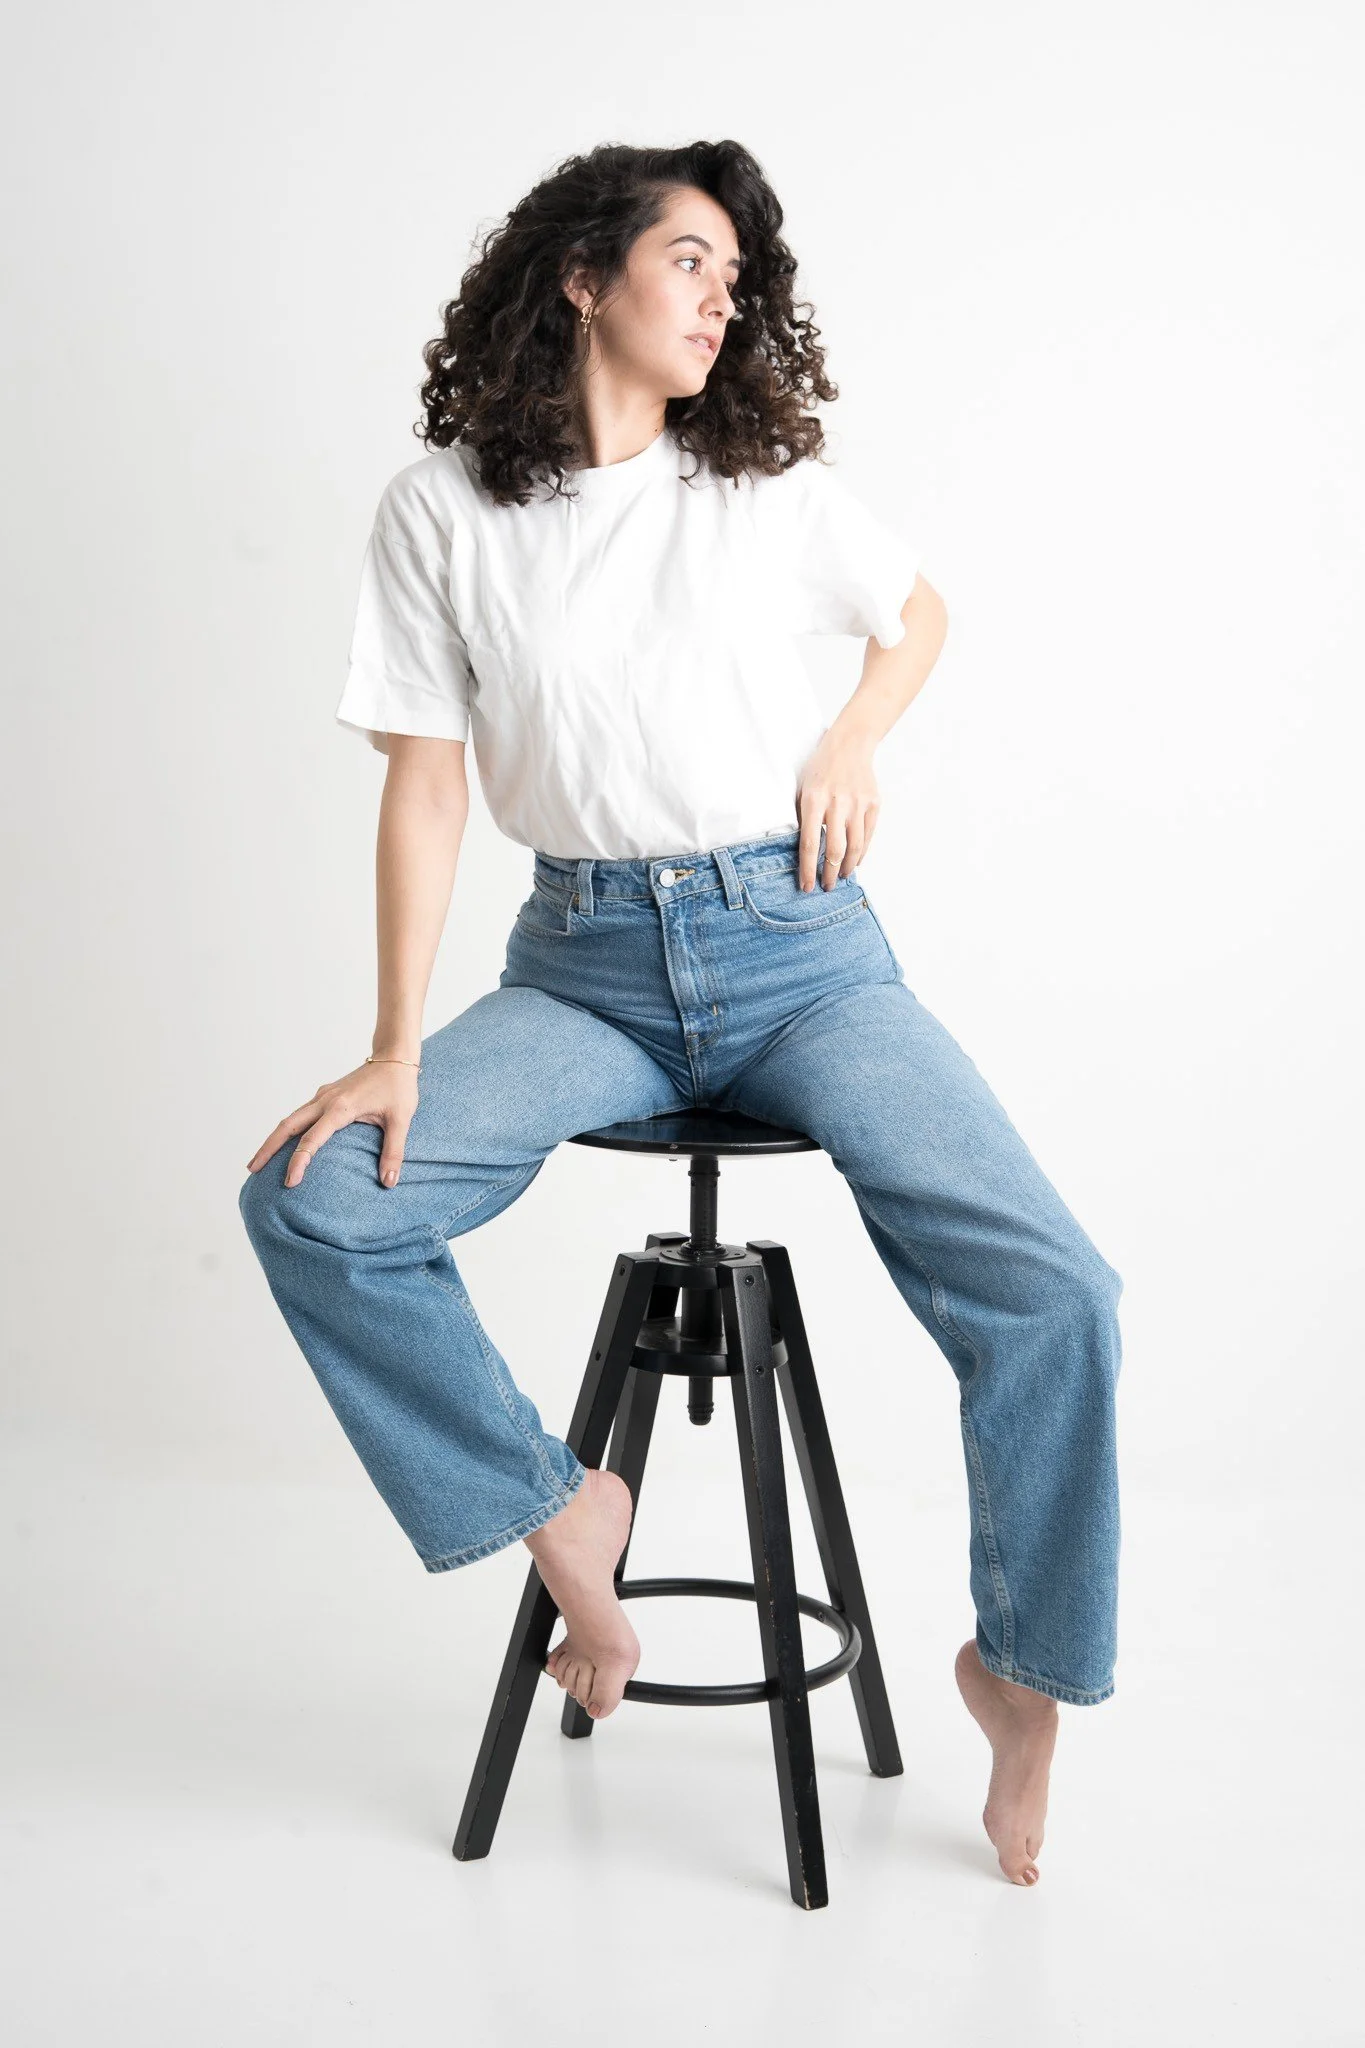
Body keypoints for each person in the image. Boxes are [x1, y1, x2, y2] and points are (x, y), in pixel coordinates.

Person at [238, 139, 1124, 1888]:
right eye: (692, 263)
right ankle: (566, 1510)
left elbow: (918, 610)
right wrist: (397, 1040)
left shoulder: (764, 485)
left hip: (798, 949)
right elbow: (424, 786)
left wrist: (852, 738)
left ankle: (1018, 1677)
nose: (727, 301)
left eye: (740, 277)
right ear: (585, 278)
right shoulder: (444, 513)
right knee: (316, 1197)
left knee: (1056, 1288)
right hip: (582, 967)